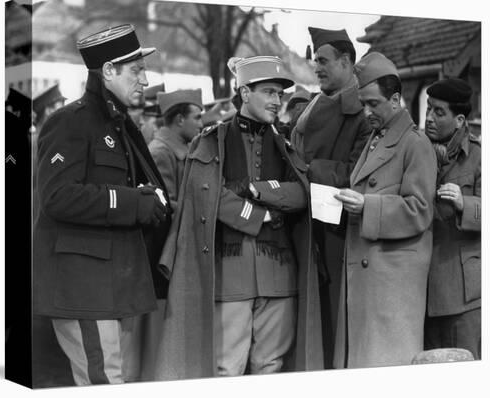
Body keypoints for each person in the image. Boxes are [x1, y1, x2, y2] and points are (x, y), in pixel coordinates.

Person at [155, 56, 323, 380]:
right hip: (229, 277)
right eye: (269, 92)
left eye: (280, 94)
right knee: (226, 370)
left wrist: (255, 190)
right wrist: (260, 217)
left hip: (280, 276)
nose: (277, 101)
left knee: (272, 370)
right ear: (245, 92)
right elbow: (206, 196)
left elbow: (302, 194)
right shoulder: (209, 142)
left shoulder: (285, 145)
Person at [33, 24, 171, 386]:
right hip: (84, 286)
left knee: (112, 379)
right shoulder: (71, 122)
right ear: (109, 70)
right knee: (103, 383)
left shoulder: (119, 124)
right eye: (136, 70)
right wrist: (131, 203)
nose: (144, 79)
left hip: (110, 285)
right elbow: (57, 197)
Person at [333, 52, 437, 368]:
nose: (367, 112)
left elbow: (420, 209)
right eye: (364, 104)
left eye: (373, 104)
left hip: (392, 286)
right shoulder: (378, 139)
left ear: (395, 100)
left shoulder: (415, 143)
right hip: (372, 279)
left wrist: (367, 205)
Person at [290, 27, 371, 368]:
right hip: (306, 224)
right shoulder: (312, 106)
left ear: (346, 61)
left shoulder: (365, 111)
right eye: (314, 61)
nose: (316, 68)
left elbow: (358, 174)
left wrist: (304, 170)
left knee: (334, 321)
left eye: (322, 61)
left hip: (339, 231)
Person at [423, 78, 481, 359]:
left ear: (459, 120)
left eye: (438, 112)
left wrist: (464, 204)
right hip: (422, 291)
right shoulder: (418, 151)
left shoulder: (480, 158)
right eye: (427, 109)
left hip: (464, 297)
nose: (429, 118)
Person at [148, 89, 203, 213]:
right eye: (197, 118)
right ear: (180, 120)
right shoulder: (160, 153)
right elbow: (165, 206)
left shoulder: (183, 149)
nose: (201, 124)